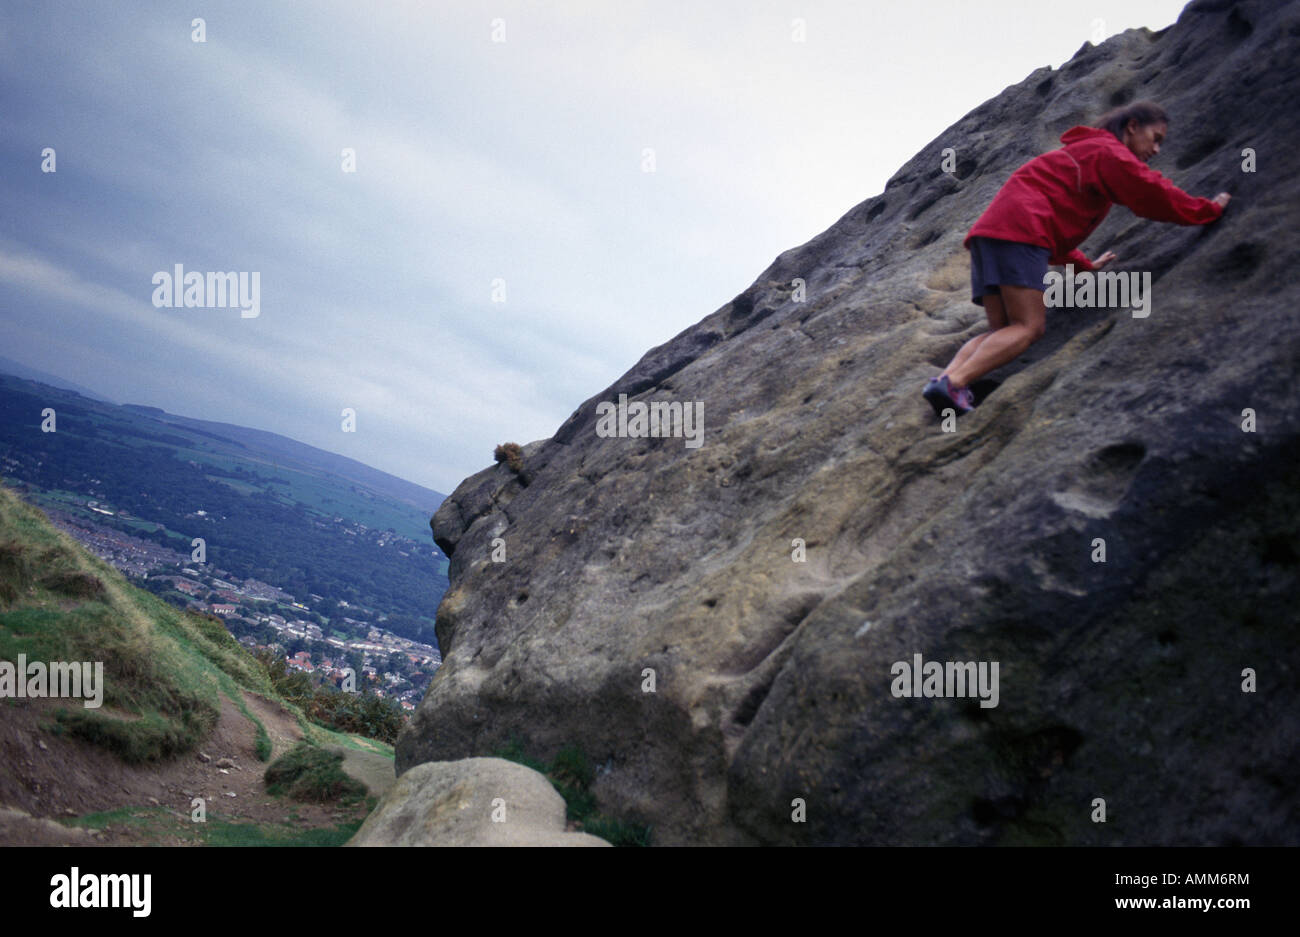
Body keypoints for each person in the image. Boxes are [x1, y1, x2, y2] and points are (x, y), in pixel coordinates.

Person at [923, 100, 1231, 417]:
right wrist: (1205, 210)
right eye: (1156, 138)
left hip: (990, 238)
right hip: (1019, 232)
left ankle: (944, 382)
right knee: (1028, 328)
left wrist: (1082, 265)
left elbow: (1051, 220)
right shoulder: (1108, 152)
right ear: (1132, 126)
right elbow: (1150, 192)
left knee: (1002, 331)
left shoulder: (1085, 153)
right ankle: (955, 382)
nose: (1156, 150)